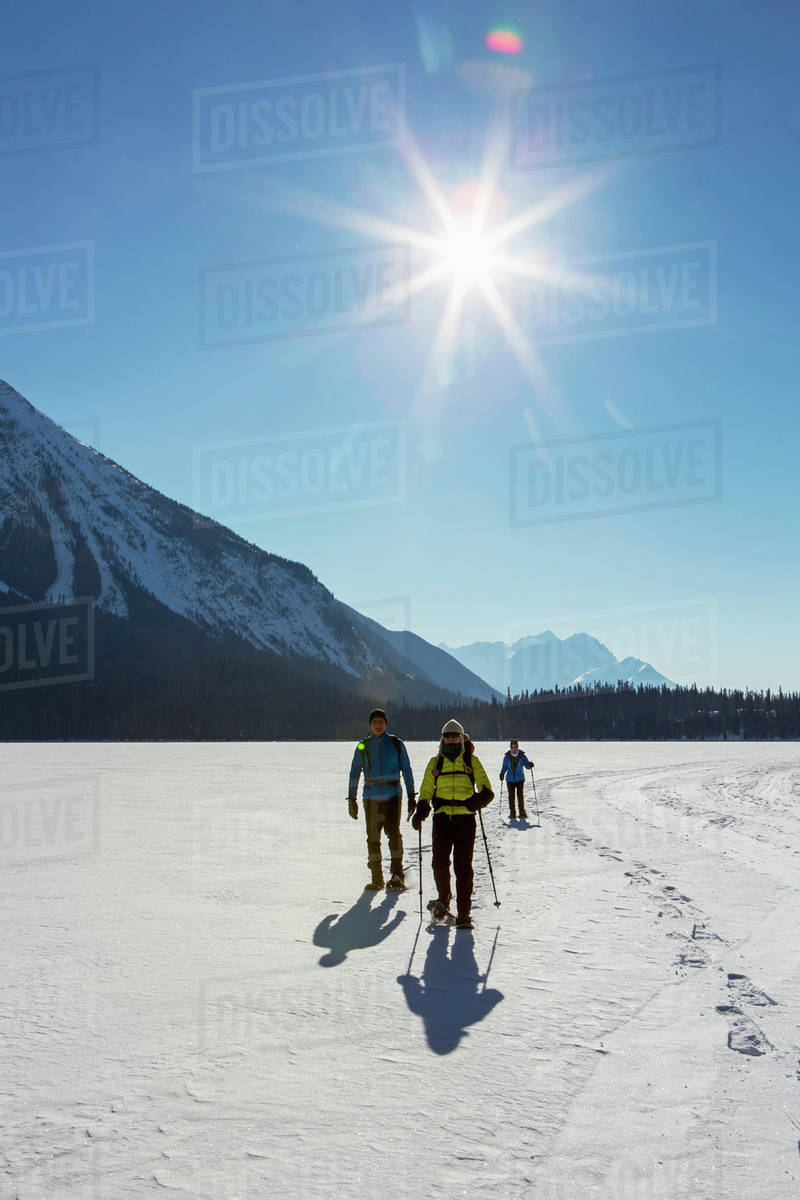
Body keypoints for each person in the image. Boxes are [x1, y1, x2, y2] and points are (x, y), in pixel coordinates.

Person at [411, 719, 493, 930]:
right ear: (442, 738)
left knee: (462, 866)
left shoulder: (471, 761)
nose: (451, 739)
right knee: (439, 862)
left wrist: (476, 801)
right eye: (447, 735)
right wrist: (421, 810)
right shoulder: (435, 762)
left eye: (455, 735)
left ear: (462, 737)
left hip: (465, 819)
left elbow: (487, 790)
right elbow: (427, 788)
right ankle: (443, 901)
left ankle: (464, 913)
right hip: (442, 818)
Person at [347, 708, 416, 891]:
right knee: (373, 838)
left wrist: (411, 795)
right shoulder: (363, 746)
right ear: (370, 725)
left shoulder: (396, 744)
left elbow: (407, 770)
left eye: (381, 722)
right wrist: (351, 798)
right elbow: (354, 773)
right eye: (374, 722)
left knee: (393, 833)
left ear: (386, 724)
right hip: (371, 799)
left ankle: (396, 874)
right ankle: (376, 878)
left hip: (393, 796)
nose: (378, 725)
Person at [499, 739, 534, 820]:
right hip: (510, 780)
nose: (514, 749)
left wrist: (530, 765)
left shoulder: (522, 756)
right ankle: (512, 813)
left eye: (515, 747)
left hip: (520, 779)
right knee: (511, 797)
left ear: (517, 747)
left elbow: (527, 766)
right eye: (512, 747)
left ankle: (522, 812)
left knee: (520, 796)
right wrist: (502, 774)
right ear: (510, 747)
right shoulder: (507, 757)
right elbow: (504, 767)